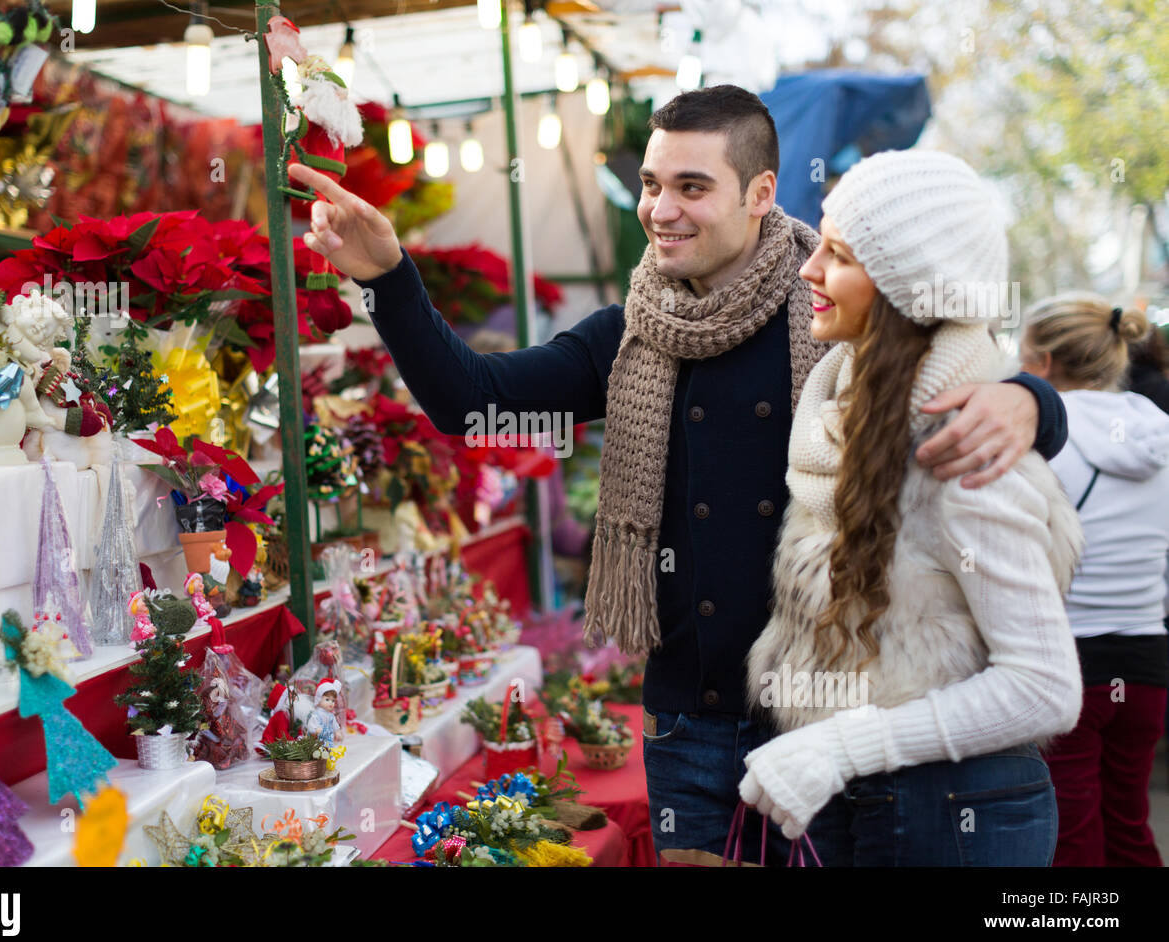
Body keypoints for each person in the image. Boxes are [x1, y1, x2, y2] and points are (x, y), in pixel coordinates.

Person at [289, 87, 1069, 865]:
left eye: (692, 187)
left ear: (762, 193)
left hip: (823, 723)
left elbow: (945, 365)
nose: (662, 209)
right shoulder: (631, 333)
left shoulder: (834, 317)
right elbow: (474, 402)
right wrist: (389, 277)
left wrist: (1032, 400)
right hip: (688, 724)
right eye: (652, 185)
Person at [739, 150, 1085, 866]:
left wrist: (839, 745)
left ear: (904, 290)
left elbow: (1045, 688)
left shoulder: (961, 450)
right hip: (874, 799)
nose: (809, 269)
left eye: (836, 255)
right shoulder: (840, 412)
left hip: (952, 810)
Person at [1018, 295, 1169, 867]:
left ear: (1046, 362)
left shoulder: (1039, 436)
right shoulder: (1160, 434)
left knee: (1072, 833)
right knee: (1128, 824)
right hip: (1147, 659)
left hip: (1067, 659)